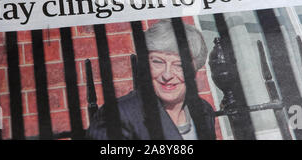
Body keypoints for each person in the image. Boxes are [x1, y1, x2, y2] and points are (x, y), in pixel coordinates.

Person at [86, 20, 216, 140]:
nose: (167, 75)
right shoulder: (118, 115)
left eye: (179, 65)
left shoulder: (203, 110)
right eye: (158, 62)